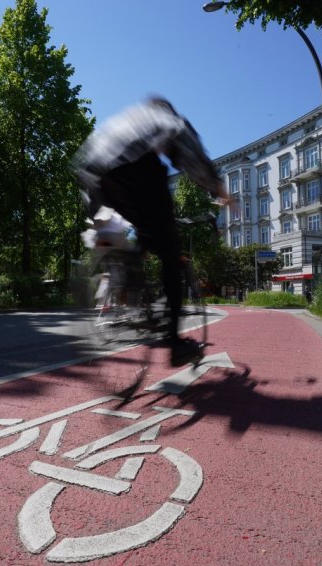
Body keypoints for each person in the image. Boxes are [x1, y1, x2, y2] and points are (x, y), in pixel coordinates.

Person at [73, 97, 229, 366]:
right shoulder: (165, 118)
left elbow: (86, 168)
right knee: (171, 253)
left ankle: (132, 269)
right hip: (136, 169)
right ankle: (175, 344)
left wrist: (96, 215)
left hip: (96, 178)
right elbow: (187, 147)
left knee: (146, 228)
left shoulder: (124, 119)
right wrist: (217, 187)